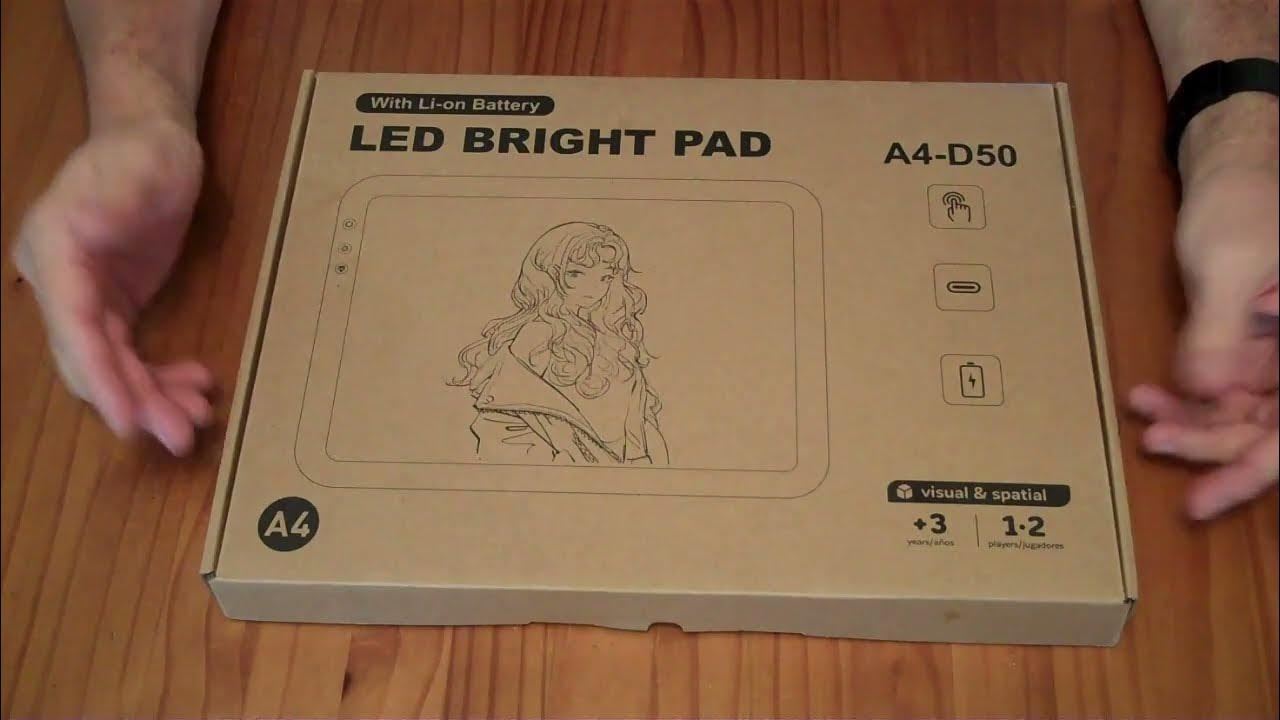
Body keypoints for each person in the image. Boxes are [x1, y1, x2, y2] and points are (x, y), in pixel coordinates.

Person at [11, 0, 1277, 519]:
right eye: (598, 278)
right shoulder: (519, 384)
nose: (625, 297)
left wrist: (1240, 130)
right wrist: (138, 107)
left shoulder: (623, 377)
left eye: (620, 277)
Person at [447, 221, 668, 465]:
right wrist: (551, 462)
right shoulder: (538, 333)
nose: (593, 287)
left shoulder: (616, 341)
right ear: (548, 274)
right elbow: (503, 414)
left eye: (604, 277)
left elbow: (636, 421)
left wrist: (642, 462)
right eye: (576, 273)